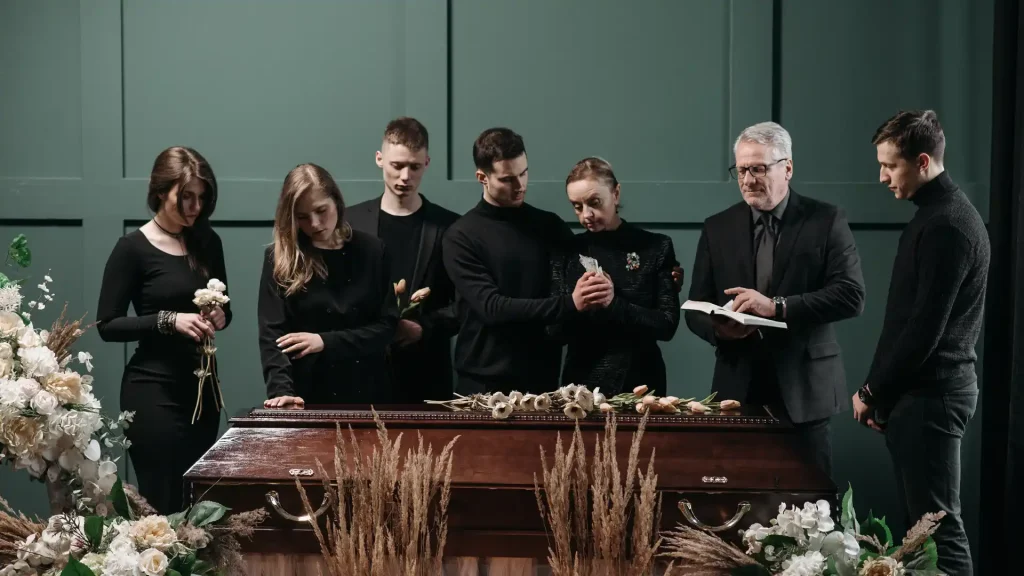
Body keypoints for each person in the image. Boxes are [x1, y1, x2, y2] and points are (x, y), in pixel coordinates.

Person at [685, 121, 865, 480]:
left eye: (758, 168)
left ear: (788, 167)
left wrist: (777, 306)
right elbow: (695, 307)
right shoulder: (716, 227)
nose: (748, 179)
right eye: (741, 170)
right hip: (738, 386)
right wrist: (721, 330)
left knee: (814, 507)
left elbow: (850, 295)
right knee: (738, 506)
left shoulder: (826, 220)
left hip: (805, 388)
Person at [856, 110, 988, 575]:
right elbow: (904, 321)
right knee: (921, 533)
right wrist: (883, 393)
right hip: (922, 395)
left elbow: (923, 332)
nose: (882, 177)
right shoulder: (935, 217)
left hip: (935, 395)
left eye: (890, 166)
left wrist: (872, 392)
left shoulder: (948, 226)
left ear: (925, 161)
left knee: (938, 531)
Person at [96, 146, 230, 514]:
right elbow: (106, 324)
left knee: (197, 505)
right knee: (162, 501)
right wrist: (167, 319)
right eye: (185, 196)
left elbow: (224, 308)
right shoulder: (132, 249)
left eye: (202, 197)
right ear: (160, 192)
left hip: (202, 393)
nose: (195, 206)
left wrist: (220, 316)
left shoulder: (207, 242)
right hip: (152, 389)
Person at [441, 128, 611, 394]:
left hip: (543, 378)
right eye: (508, 179)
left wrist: (659, 271)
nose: (520, 185)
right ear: (482, 178)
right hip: (482, 381)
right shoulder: (461, 236)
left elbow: (596, 260)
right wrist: (570, 304)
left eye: (524, 173)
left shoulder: (549, 225)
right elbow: (491, 307)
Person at [258, 163, 398, 407]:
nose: (314, 223)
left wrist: (324, 341)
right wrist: (282, 391)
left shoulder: (373, 251)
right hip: (305, 392)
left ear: (337, 203)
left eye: (321, 211)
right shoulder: (279, 258)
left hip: (367, 391)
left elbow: (386, 327)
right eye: (302, 217)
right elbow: (273, 336)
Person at [347, 118, 460, 404]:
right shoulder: (350, 222)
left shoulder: (450, 227)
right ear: (379, 159)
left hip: (428, 375)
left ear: (427, 163)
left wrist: (425, 328)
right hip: (361, 373)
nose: (405, 176)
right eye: (397, 166)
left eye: (415, 166)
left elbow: (466, 304)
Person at [551, 157, 680, 396]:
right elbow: (554, 333)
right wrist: (574, 303)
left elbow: (667, 326)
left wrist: (614, 304)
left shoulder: (656, 246)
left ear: (616, 194)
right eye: (577, 206)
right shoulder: (566, 251)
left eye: (594, 202)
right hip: (581, 386)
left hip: (642, 383)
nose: (586, 215)